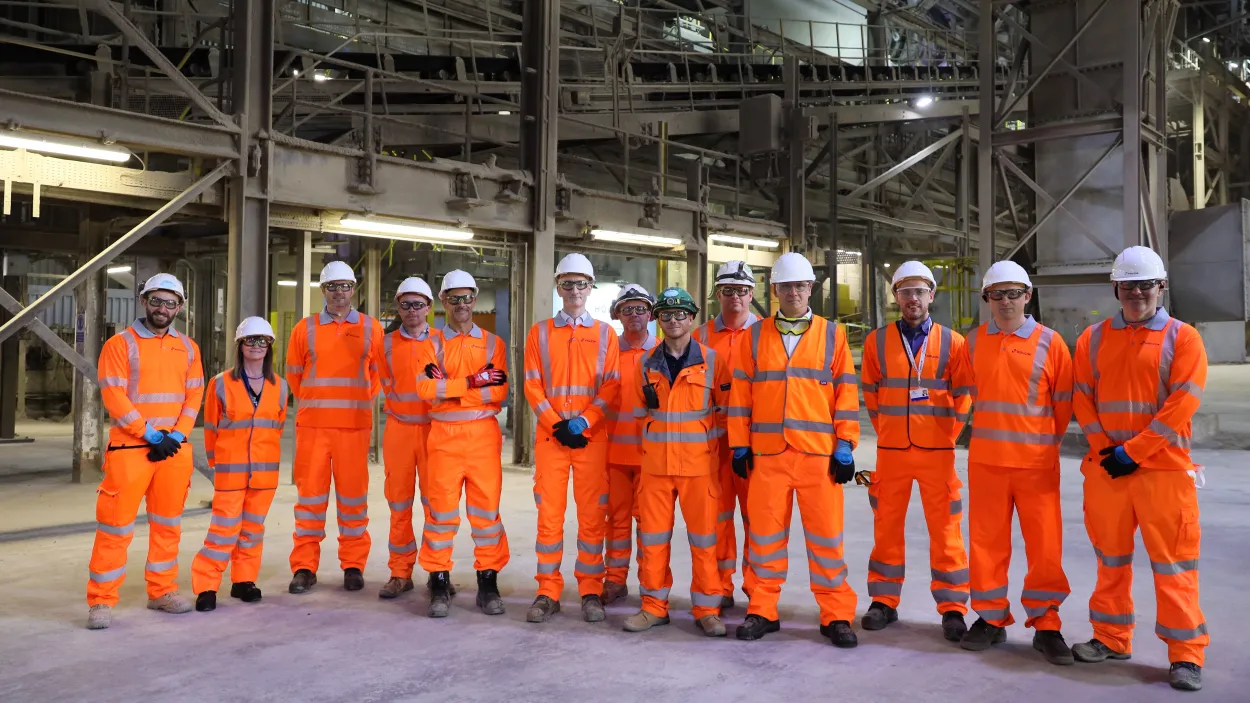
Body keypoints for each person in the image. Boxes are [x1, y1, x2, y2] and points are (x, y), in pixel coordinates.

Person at [1070, 246, 1208, 692]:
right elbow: (1081, 397)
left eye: (1145, 284)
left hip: (1163, 472)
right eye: (1127, 285)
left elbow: (1182, 403)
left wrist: (1136, 452)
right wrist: (1106, 449)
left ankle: (1185, 656)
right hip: (1108, 469)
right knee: (1111, 561)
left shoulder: (1183, 338)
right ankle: (1111, 637)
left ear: (1161, 286)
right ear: (1115, 288)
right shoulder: (1091, 339)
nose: (1136, 293)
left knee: (1174, 567)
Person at [727, 252, 860, 647]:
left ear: (811, 289)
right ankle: (762, 609)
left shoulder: (832, 335)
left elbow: (846, 394)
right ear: (774, 292)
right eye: (785, 286)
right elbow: (740, 395)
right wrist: (739, 444)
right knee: (765, 538)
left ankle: (836, 613)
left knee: (826, 540)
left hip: (819, 456)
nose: (793, 293)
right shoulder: (754, 336)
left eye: (800, 285)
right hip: (768, 455)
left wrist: (846, 444)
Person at [952, 261, 1075, 664]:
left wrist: (1041, 445)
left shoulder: (1050, 342)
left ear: (1028, 295)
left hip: (1036, 464)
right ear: (987, 299)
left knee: (1044, 546)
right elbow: (967, 394)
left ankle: (1046, 622)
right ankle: (990, 617)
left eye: (1013, 293)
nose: (1005, 302)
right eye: (997, 295)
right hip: (987, 462)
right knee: (986, 544)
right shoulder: (973, 342)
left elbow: (1062, 405)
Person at [860, 260, 972, 642]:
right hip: (891, 451)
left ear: (932, 296)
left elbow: (964, 395)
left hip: (937, 453)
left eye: (919, 291)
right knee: (886, 528)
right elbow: (871, 394)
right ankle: (884, 601)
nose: (913, 298)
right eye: (905, 291)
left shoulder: (953, 342)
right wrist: (889, 430)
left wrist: (946, 435)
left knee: (946, 531)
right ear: (896, 296)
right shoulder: (877, 341)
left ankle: (953, 606)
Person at [86, 273, 204, 629]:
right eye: (156, 301)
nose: (162, 309)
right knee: (115, 527)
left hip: (173, 451)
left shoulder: (189, 347)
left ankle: (162, 591)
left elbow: (194, 395)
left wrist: (177, 437)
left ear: (180, 307)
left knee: (167, 525)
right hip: (131, 448)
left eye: (170, 303)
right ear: (144, 301)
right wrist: (152, 435)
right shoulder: (120, 344)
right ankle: (101, 602)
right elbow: (114, 396)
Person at [620, 288, 730, 637]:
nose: (673, 320)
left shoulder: (713, 361)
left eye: (680, 314)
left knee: (704, 540)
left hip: (699, 468)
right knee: (652, 540)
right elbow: (641, 413)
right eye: (666, 315)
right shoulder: (646, 363)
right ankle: (653, 607)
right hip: (656, 468)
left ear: (692, 318)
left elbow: (725, 413)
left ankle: (708, 609)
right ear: (658, 320)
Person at [522, 253, 621, 624]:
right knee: (549, 518)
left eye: (582, 284)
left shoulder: (606, 334)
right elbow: (532, 383)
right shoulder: (540, 332)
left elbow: (611, 384)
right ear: (558, 286)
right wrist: (556, 425)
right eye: (568, 283)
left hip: (590, 440)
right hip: (552, 442)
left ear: (590, 287)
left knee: (593, 518)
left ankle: (590, 590)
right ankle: (547, 590)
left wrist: (582, 424)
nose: (575, 290)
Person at [414, 270, 511, 618]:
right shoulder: (431, 342)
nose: (462, 304)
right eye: (454, 298)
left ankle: (488, 581)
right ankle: (438, 579)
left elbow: (499, 391)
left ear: (475, 297)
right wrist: (472, 382)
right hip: (443, 439)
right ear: (443, 301)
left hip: (483, 438)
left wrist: (451, 389)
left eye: (467, 297)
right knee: (441, 514)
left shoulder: (493, 344)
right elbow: (425, 391)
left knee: (486, 514)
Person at [285, 261, 384, 594]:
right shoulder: (304, 328)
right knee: (310, 501)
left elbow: (377, 376)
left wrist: (355, 402)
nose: (339, 293)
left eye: (345, 286)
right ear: (322, 290)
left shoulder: (372, 328)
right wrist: (316, 402)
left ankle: (353, 565)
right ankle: (304, 567)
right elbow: (294, 375)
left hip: (354, 428)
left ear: (353, 290)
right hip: (313, 428)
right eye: (332, 287)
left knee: (353, 501)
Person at [191, 317, 288, 612]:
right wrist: (216, 462)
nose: (257, 346)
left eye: (263, 341)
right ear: (240, 345)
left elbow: (277, 428)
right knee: (222, 530)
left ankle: (243, 581)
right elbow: (210, 427)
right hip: (230, 471)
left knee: (252, 530)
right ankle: (206, 585)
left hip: (264, 474)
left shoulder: (280, 386)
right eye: (250, 340)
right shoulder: (220, 383)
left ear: (270, 346)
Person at [694, 260, 761, 609]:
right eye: (728, 290)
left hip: (754, 444)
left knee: (757, 517)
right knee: (717, 517)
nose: (735, 296)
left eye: (742, 290)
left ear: (752, 294)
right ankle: (721, 586)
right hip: (714, 442)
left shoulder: (768, 333)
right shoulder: (699, 336)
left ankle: (756, 588)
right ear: (717, 294)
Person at [377, 277, 442, 600]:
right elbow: (385, 382)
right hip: (399, 430)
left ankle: (436, 571)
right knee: (399, 504)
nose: (412, 311)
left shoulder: (443, 342)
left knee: (436, 504)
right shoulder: (385, 344)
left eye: (418, 304)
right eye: (406, 305)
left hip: (435, 431)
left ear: (429, 307)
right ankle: (400, 572)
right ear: (398, 308)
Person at [603, 284, 658, 604]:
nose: (634, 315)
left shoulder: (664, 354)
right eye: (627, 309)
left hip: (651, 456)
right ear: (617, 315)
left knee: (650, 523)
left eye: (640, 309)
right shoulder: (608, 354)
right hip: (614, 455)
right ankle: (615, 579)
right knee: (616, 520)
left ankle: (650, 584)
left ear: (650, 315)